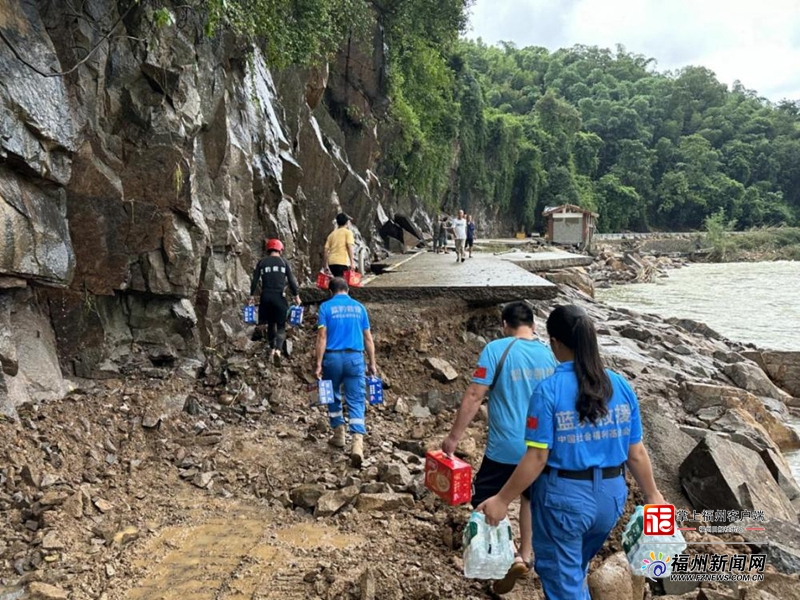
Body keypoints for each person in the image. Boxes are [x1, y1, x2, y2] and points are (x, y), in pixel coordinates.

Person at [478, 305, 666, 600]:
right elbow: (637, 452)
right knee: (575, 568)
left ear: (554, 342)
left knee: (562, 583)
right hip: (610, 499)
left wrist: (502, 499)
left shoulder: (549, 390)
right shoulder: (619, 385)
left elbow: (537, 457)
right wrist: (653, 494)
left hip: (564, 502)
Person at [442, 302, 557, 595]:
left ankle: (504, 552)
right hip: (541, 448)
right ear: (533, 324)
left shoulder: (497, 349)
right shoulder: (549, 354)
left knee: (486, 498)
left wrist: (454, 438)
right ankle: (525, 554)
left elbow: (474, 395)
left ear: (505, 324)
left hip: (504, 446)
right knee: (529, 498)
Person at [314, 277, 377, 467]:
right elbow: (368, 338)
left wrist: (318, 363)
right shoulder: (359, 308)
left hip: (332, 358)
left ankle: (338, 434)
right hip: (354, 358)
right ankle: (357, 443)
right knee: (356, 398)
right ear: (348, 289)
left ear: (330, 291)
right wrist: (372, 363)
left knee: (331, 394)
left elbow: (322, 336)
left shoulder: (325, 307)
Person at [250, 239, 301, 367]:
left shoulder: (262, 263)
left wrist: (251, 296)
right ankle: (278, 349)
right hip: (279, 296)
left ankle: (272, 348)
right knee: (281, 326)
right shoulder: (284, 263)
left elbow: (255, 280)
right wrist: (296, 296)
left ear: (268, 249)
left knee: (270, 324)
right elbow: (291, 281)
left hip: (265, 297)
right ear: (280, 249)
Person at [324, 213, 355, 278]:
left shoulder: (331, 234)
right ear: (347, 222)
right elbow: (349, 247)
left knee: (337, 280)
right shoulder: (348, 233)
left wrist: (326, 265)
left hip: (331, 263)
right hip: (342, 262)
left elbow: (326, 250)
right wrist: (352, 263)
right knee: (342, 283)